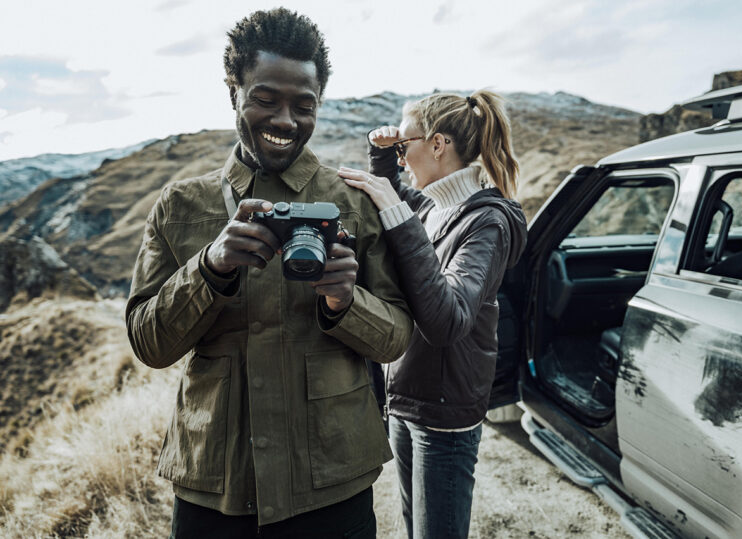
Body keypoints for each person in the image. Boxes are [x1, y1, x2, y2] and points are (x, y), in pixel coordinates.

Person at [125, 8, 413, 539]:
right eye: (265, 99)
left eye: (304, 106)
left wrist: (345, 304)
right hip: (215, 483)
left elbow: (395, 338)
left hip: (332, 484)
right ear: (233, 91)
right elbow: (148, 344)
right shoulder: (179, 206)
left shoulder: (353, 203)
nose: (285, 120)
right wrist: (209, 268)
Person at [339, 90, 527, 539]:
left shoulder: (487, 222)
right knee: (412, 528)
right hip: (407, 393)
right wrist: (381, 154)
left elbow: (448, 320)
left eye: (405, 147)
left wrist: (397, 214)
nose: (402, 159)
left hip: (444, 412)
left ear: (438, 144)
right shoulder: (432, 206)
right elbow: (399, 194)